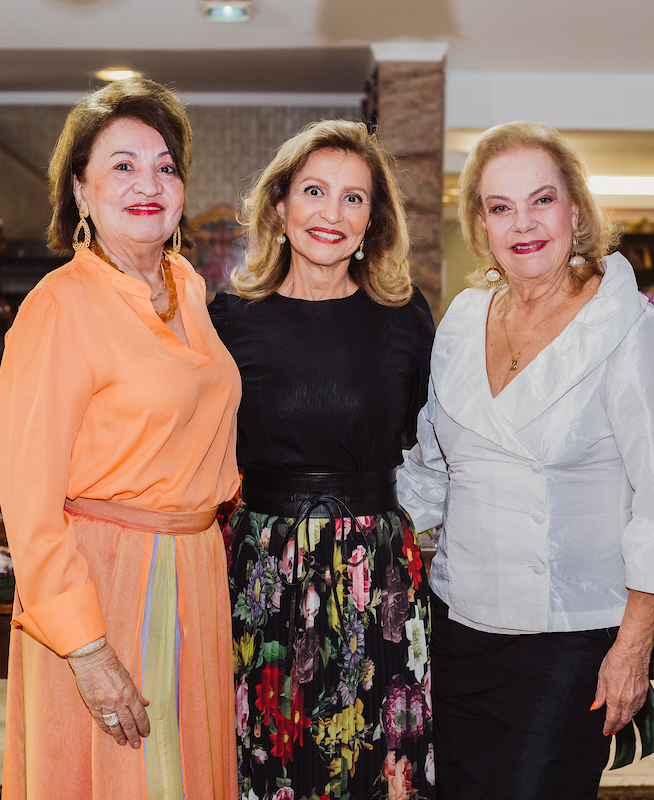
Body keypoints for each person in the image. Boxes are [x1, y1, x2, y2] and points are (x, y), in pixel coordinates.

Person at [396, 121, 654, 799]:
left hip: (568, 640)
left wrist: (632, 651)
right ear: (480, 223)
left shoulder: (632, 332)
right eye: (500, 207)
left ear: (575, 207)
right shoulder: (462, 318)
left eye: (541, 200)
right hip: (459, 627)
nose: (523, 224)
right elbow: (432, 466)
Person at [0, 77, 240, 800]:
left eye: (166, 166)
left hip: (195, 569)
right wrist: (88, 648)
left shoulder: (187, 285)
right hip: (104, 584)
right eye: (123, 165)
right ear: (80, 191)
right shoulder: (58, 307)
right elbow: (29, 502)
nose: (150, 183)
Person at [209, 120, 436, 800]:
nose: (331, 214)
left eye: (353, 199)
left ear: (373, 220)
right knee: (268, 761)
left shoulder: (405, 317)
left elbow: (434, 446)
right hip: (262, 567)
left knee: (376, 763)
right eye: (314, 191)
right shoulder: (229, 318)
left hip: (378, 573)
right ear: (279, 207)